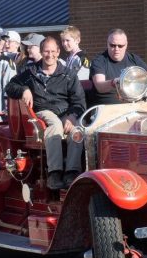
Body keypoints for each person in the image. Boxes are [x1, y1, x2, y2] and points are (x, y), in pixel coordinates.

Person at [5, 37, 86, 190]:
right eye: (46, 51)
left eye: (53, 51)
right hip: (42, 112)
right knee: (54, 125)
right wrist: (24, 89)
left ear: (58, 52)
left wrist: (72, 116)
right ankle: (54, 174)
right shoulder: (30, 73)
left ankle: (72, 173)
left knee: (78, 132)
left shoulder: (69, 75)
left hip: (64, 114)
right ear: (41, 52)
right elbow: (10, 86)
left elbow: (79, 102)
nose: (50, 55)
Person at [88, 28, 147, 107]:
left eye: (120, 46)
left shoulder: (134, 59)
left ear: (126, 45)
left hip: (132, 107)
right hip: (107, 110)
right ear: (107, 44)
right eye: (112, 45)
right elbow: (100, 86)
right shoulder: (99, 61)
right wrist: (114, 82)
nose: (116, 49)